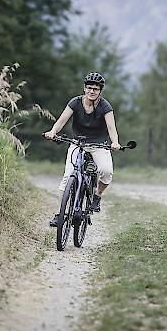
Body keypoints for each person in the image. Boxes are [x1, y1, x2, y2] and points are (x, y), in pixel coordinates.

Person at [43, 72, 121, 227]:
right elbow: (62, 120)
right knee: (67, 176)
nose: (92, 91)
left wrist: (115, 142)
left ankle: (97, 196)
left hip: (99, 145)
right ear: (85, 88)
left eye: (96, 89)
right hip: (77, 143)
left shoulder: (105, 106)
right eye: (89, 88)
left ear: (100, 91)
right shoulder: (75, 102)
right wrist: (53, 132)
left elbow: (112, 128)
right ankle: (61, 214)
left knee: (106, 171)